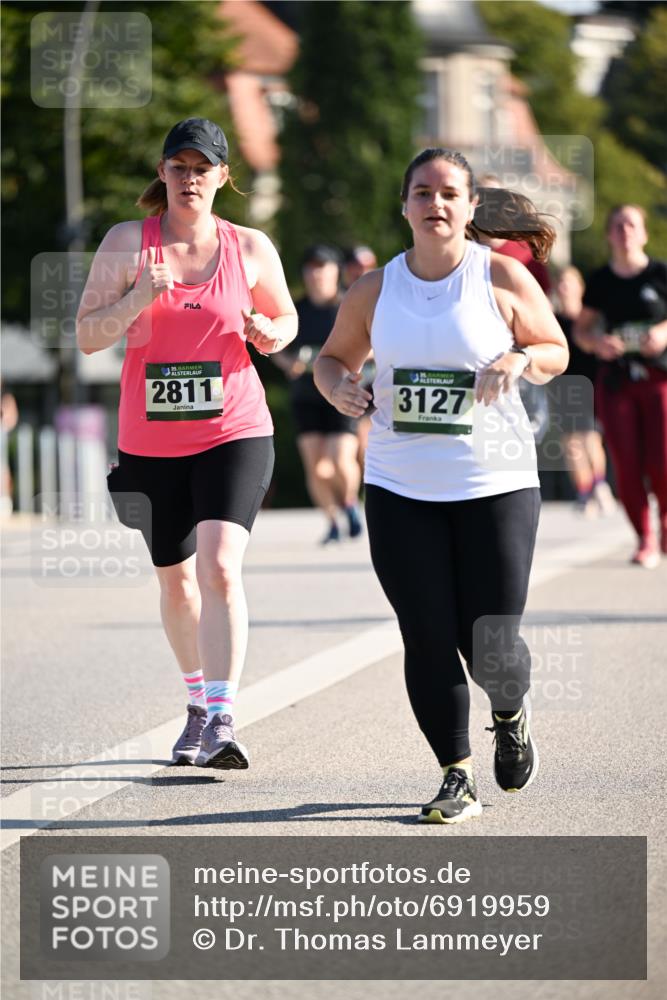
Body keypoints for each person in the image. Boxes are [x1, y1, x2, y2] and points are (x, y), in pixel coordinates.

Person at [314, 148, 568, 824]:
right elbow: (332, 357)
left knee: (490, 640)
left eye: (448, 193)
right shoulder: (374, 288)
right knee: (425, 634)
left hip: (495, 482)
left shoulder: (501, 277)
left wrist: (518, 357)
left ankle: (509, 712)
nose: (435, 204)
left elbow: (555, 349)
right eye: (421, 193)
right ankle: (454, 774)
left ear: (469, 206)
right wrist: (337, 382)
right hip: (399, 485)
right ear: (404, 206)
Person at [76, 118, 297, 769]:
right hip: (149, 441)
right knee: (176, 584)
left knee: (220, 565)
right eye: (179, 166)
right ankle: (198, 703)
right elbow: (87, 335)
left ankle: (224, 717)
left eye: (203, 168)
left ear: (223, 177)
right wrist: (137, 298)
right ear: (163, 173)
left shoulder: (250, 247)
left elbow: (283, 319)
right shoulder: (126, 244)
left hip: (234, 429)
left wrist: (269, 332)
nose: (190, 177)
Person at [574, 205, 667, 568]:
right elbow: (581, 331)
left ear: (643, 233)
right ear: (609, 236)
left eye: (631, 224)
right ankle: (643, 538)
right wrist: (597, 344)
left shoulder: (661, 273)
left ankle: (664, 522)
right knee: (626, 463)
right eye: (617, 225)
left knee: (661, 460)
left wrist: (662, 333)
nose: (624, 230)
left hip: (659, 378)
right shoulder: (599, 282)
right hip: (616, 382)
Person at [273, 244, 363, 543]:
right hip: (305, 396)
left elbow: (372, 343)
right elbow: (276, 347)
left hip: (343, 394)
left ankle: (349, 502)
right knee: (316, 466)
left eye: (323, 267)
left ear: (336, 271)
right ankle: (332, 521)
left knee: (339, 459)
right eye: (311, 267)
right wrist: (289, 363)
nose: (317, 273)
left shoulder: (347, 306)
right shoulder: (295, 310)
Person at [552, 266, 614, 517]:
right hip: (563, 387)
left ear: (580, 287)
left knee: (590, 438)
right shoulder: (552, 319)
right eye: (561, 282)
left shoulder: (591, 319)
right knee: (571, 444)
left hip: (590, 386)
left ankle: (600, 485)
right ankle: (585, 491)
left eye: (569, 282)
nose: (565, 287)